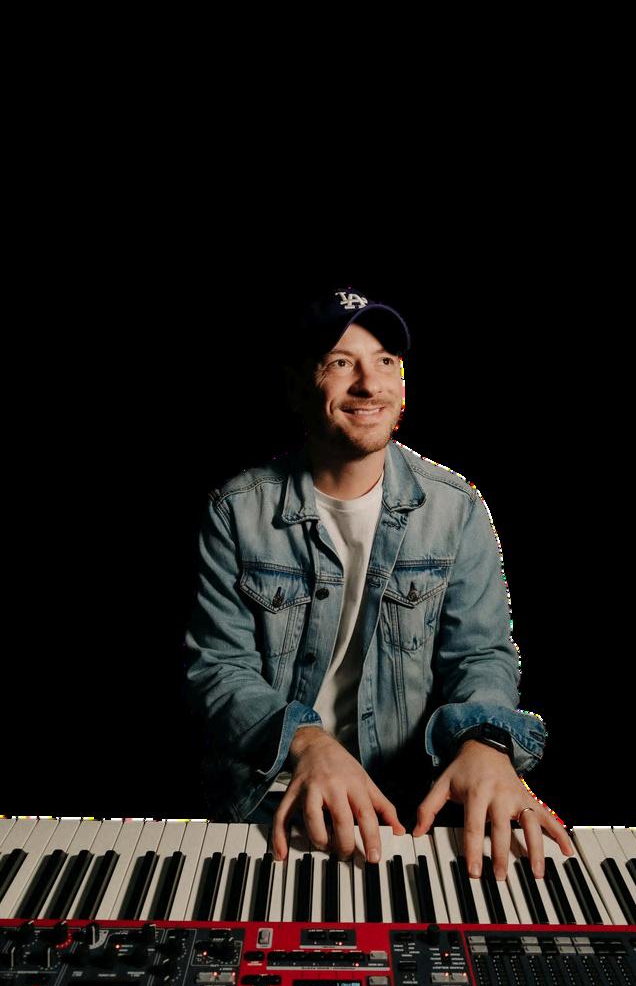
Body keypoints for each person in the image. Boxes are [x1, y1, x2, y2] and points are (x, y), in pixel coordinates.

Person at [183, 287, 573, 882]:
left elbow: (480, 654)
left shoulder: (456, 508)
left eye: (385, 361)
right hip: (271, 792)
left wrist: (486, 745)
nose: (370, 384)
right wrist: (309, 743)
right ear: (297, 386)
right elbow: (219, 668)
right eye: (341, 362)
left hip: (413, 802)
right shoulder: (236, 511)